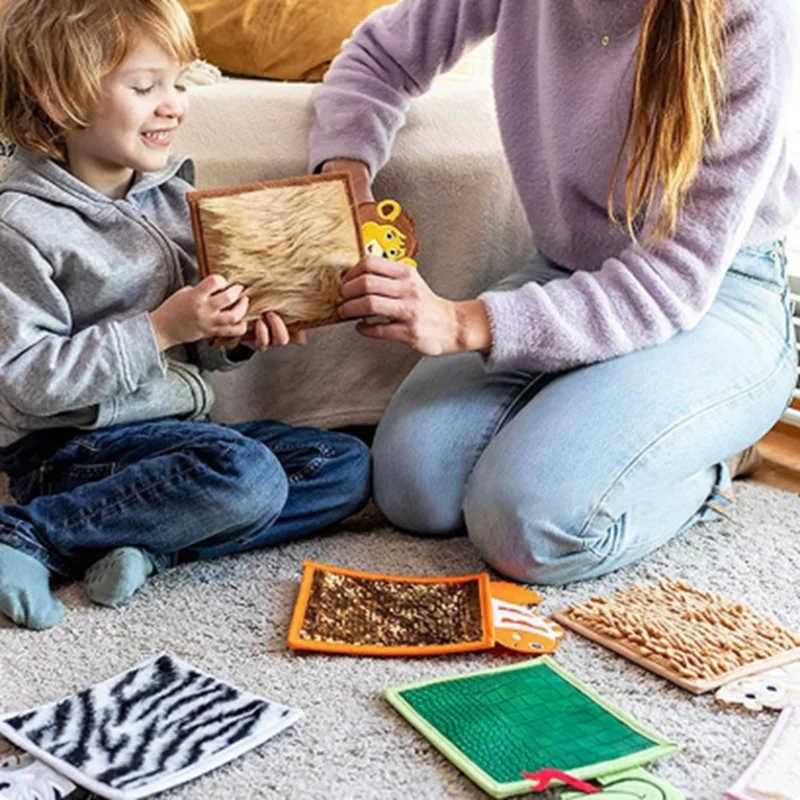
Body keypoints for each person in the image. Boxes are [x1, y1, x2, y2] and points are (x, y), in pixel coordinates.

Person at [309, 0, 799, 585]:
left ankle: (710, 460)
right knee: (414, 484)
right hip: (567, 270)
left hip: (714, 296)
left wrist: (463, 323)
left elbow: (674, 279)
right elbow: (379, 53)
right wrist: (346, 185)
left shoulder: (751, 19)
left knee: (533, 528)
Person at [0, 0, 371, 630]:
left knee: (345, 467)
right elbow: (24, 380)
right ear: (59, 98)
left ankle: (148, 546)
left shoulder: (171, 197)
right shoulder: (22, 225)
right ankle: (31, 533)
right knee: (246, 474)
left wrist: (229, 333)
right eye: (145, 87)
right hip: (68, 451)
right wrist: (161, 328)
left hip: (173, 435)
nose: (173, 104)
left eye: (178, 81)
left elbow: (195, 351)